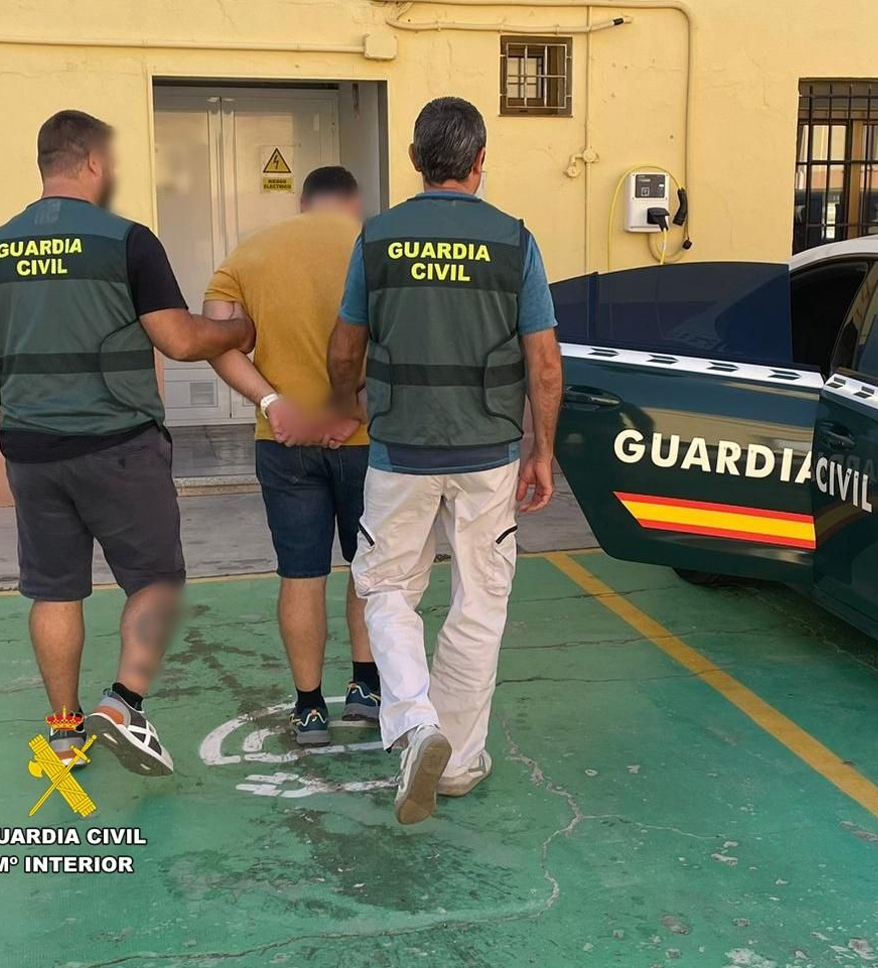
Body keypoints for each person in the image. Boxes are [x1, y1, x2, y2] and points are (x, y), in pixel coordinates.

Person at [0, 109, 255, 775]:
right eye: (107, 162)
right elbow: (178, 338)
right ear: (89, 162)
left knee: (54, 591)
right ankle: (121, 703)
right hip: (119, 446)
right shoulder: (125, 240)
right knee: (159, 580)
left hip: (30, 451)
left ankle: (64, 733)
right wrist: (235, 332)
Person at [327, 96, 563, 825]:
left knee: (388, 588)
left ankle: (412, 720)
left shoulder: (378, 239)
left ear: (415, 160)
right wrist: (541, 451)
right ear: (480, 161)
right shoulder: (514, 242)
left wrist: (351, 405)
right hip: (488, 453)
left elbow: (343, 349)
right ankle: (456, 760)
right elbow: (545, 365)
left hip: (399, 452)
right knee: (480, 601)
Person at [202, 165, 378, 745]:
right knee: (370, 571)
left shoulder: (247, 256)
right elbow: (404, 345)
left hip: (284, 444)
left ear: (303, 204)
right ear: (352, 204)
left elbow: (216, 341)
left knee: (300, 576)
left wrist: (273, 400)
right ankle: (365, 687)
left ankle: (307, 709)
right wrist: (353, 409)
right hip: (367, 442)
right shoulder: (377, 247)